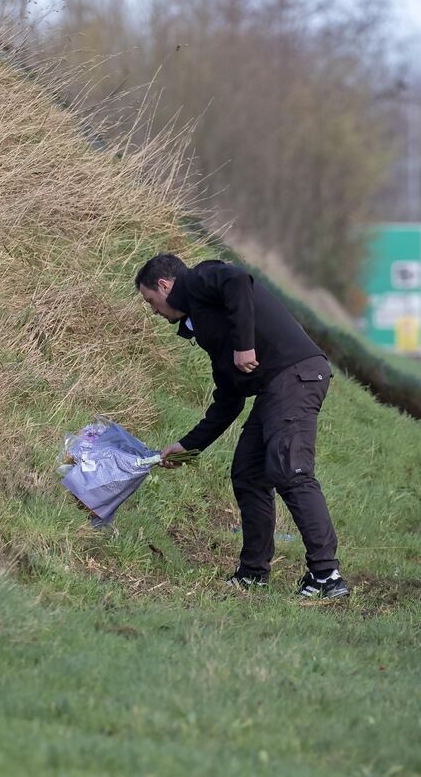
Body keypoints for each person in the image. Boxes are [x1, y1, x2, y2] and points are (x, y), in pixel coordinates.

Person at [135, 253, 348, 599]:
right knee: (248, 473)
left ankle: (326, 575)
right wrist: (188, 446)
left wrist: (245, 347)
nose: (154, 311)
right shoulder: (206, 323)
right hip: (276, 386)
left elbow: (238, 281)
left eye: (151, 301)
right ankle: (253, 573)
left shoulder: (200, 279)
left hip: (295, 375)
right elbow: (229, 398)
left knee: (291, 470)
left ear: (164, 284)